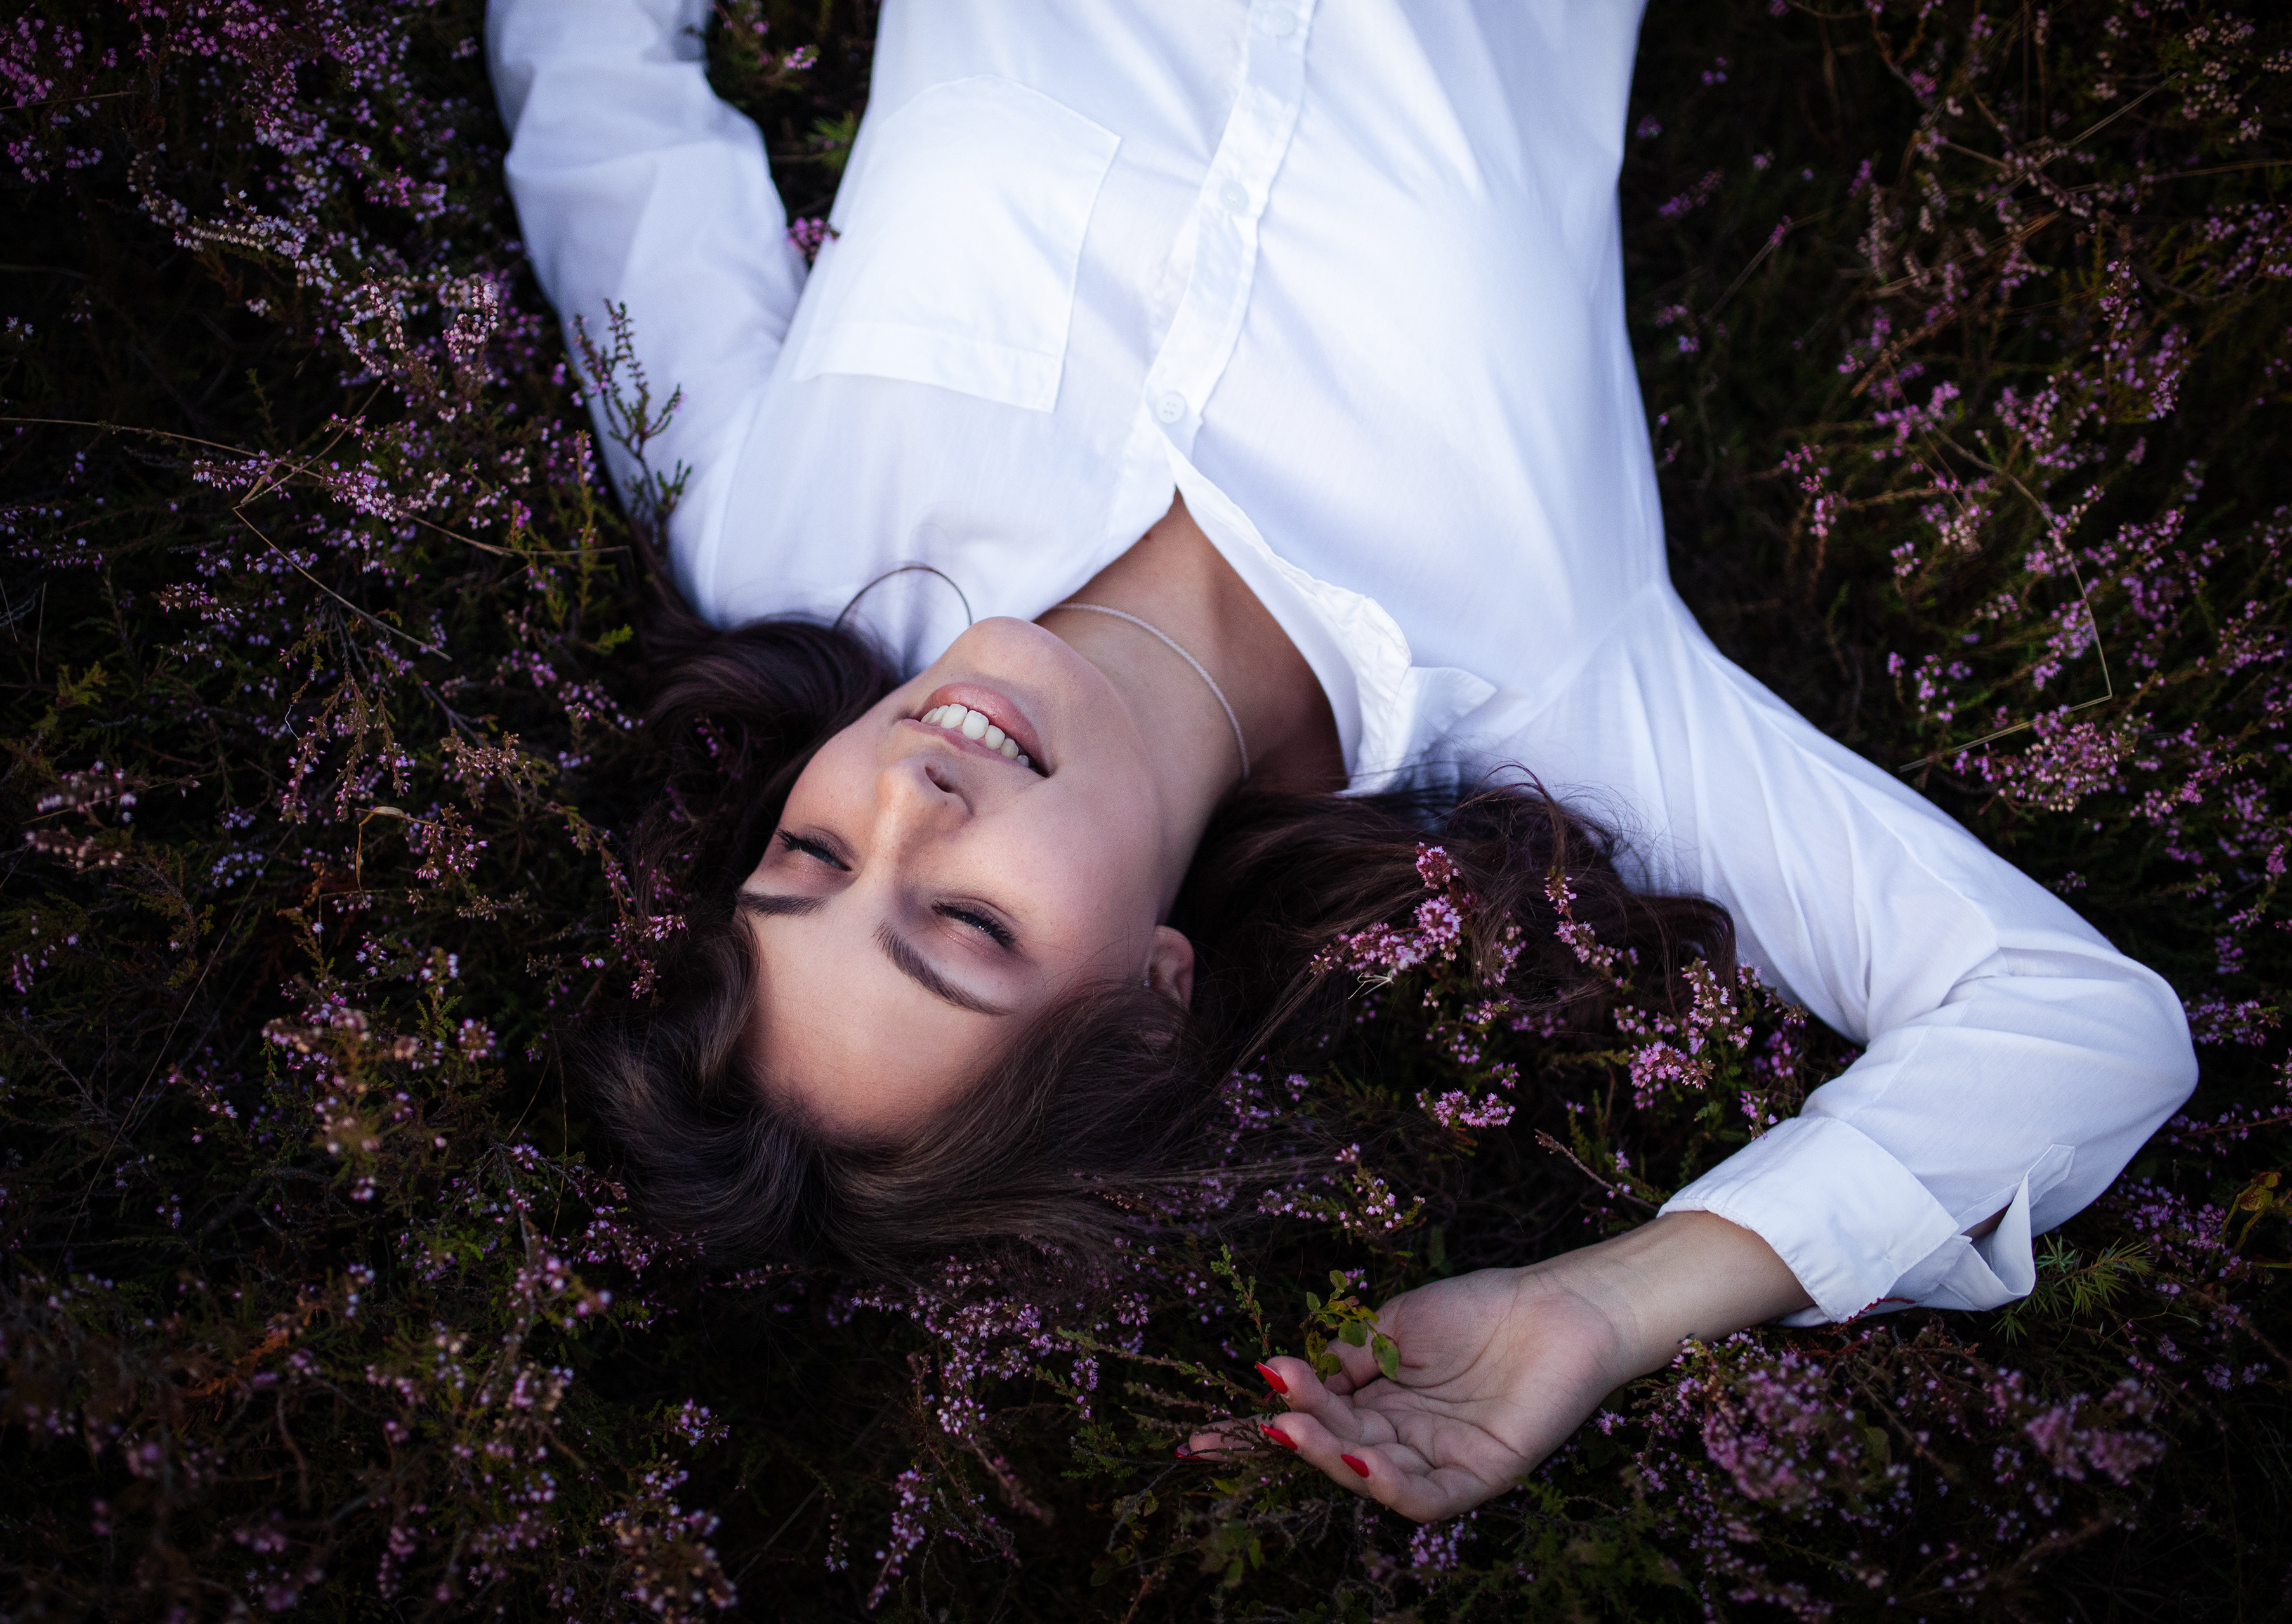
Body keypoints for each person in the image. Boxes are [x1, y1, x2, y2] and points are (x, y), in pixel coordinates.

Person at [487, 0, 2198, 1521]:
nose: (905, 808)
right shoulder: (1553, 683)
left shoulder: (779, 533)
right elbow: (2075, 1024)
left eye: (810, 862)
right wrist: (1608, 1306)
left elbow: (591, 83)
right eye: (969, 930)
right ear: (1152, 993)